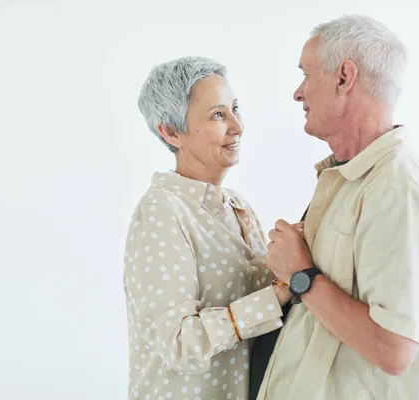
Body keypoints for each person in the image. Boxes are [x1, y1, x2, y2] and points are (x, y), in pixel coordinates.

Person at [251, 15, 419, 400]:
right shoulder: (350, 177)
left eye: (306, 75)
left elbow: (393, 350)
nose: (298, 93)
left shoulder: (398, 190)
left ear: (344, 78)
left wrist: (302, 276)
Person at [123, 56, 293, 400]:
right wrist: (275, 296)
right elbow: (179, 344)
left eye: (235, 108)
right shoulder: (162, 210)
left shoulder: (238, 206)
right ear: (171, 132)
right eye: (218, 115)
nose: (237, 126)